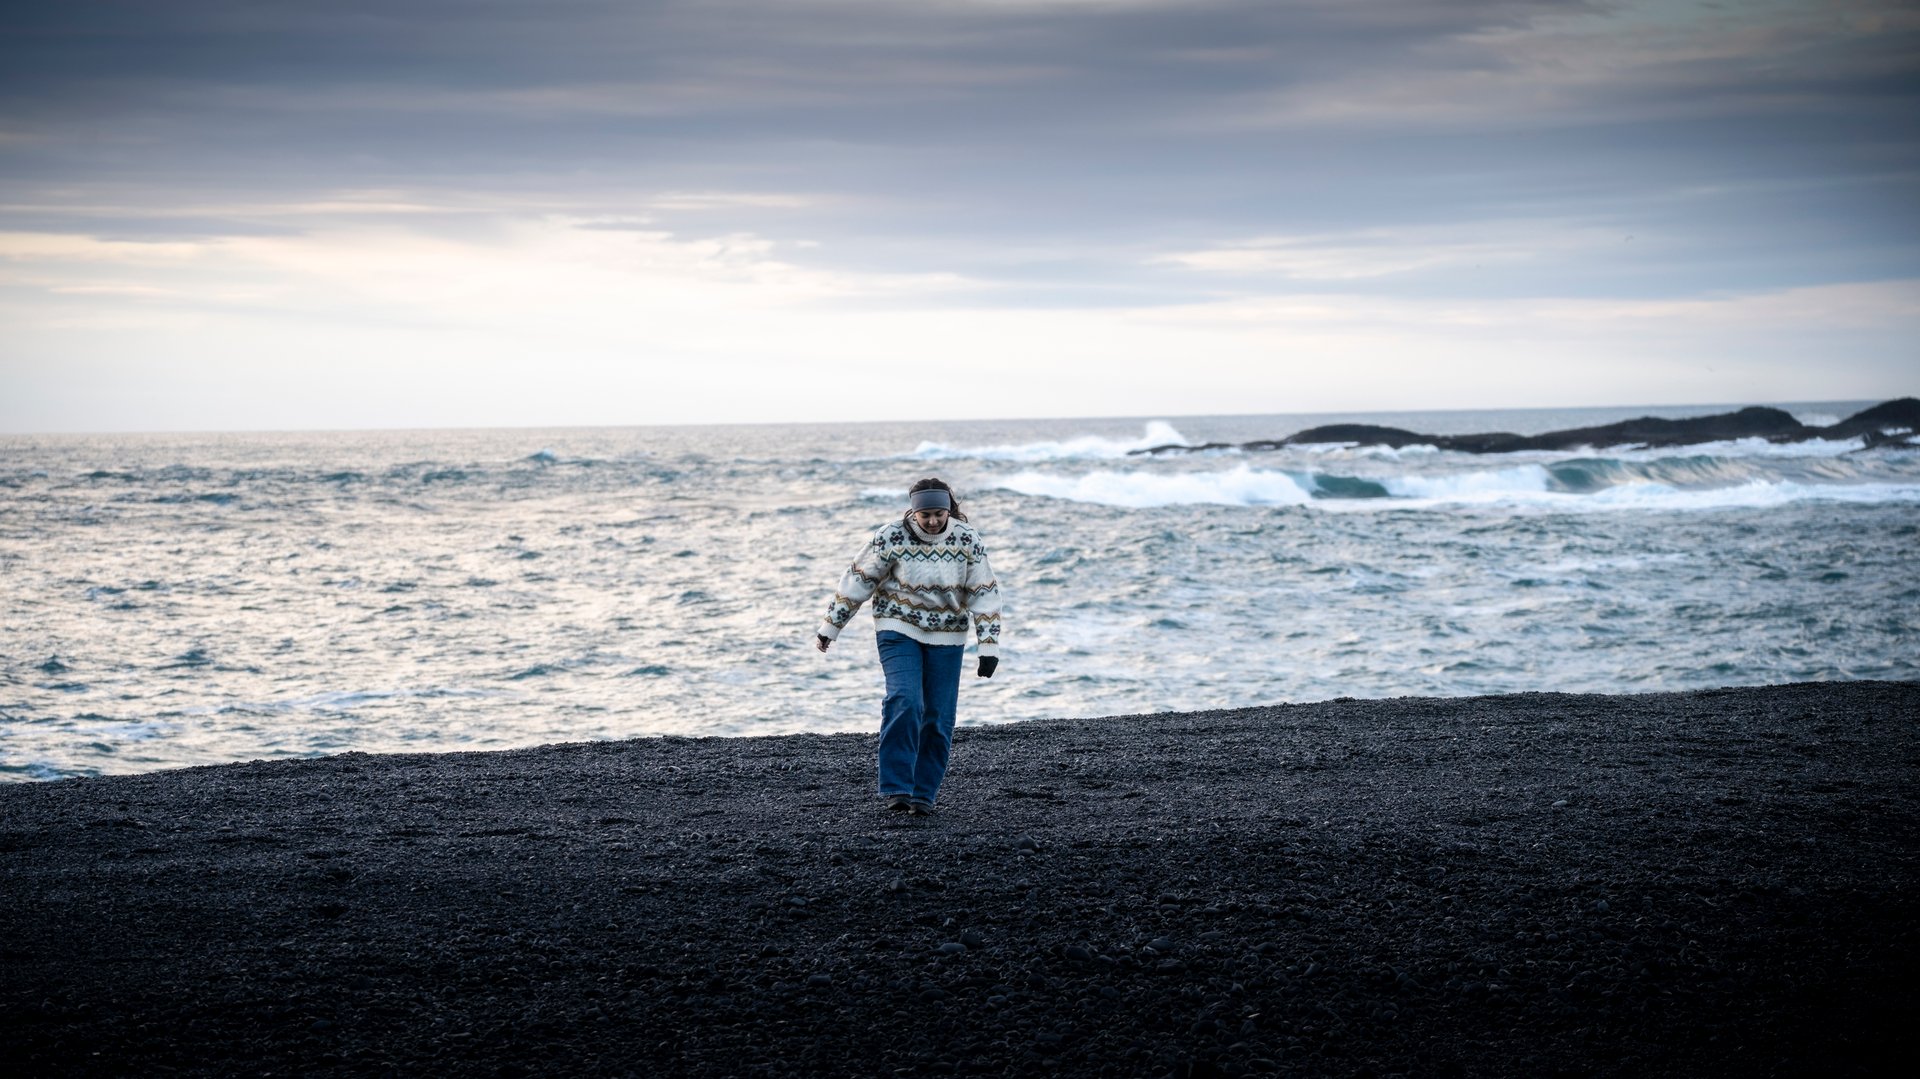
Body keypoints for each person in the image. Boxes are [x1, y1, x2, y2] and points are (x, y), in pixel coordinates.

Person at [816, 478, 1001, 816]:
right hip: (897, 628)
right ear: (913, 512)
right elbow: (859, 579)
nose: (932, 521)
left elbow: (984, 592)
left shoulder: (966, 539)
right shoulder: (890, 536)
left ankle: (923, 794)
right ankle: (898, 787)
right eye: (925, 515)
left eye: (939, 514)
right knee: (905, 699)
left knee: (938, 717)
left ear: (949, 510)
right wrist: (832, 626)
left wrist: (988, 646)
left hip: (947, 635)